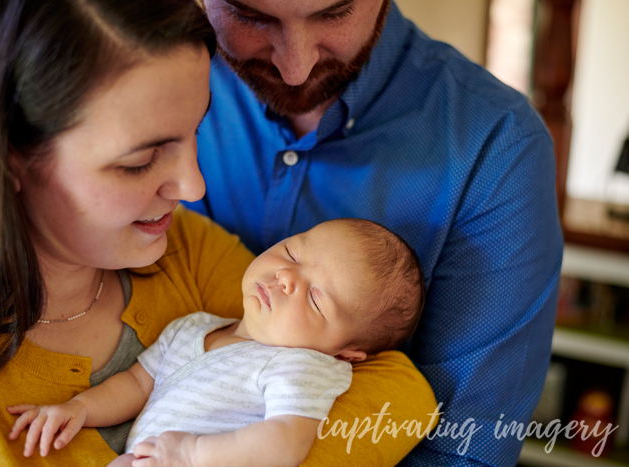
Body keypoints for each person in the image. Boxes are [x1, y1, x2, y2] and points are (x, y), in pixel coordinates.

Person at [0, 1, 436, 466]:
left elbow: (402, 393)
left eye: (197, 130)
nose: (194, 186)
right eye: (141, 160)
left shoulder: (184, 248)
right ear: (3, 159)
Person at [187, 0, 565, 465]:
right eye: (251, 16)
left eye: (334, 13)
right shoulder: (149, 70)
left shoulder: (497, 149)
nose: (295, 67)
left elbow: (462, 450)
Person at [7, 218, 427, 467]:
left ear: (344, 353)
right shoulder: (194, 327)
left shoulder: (303, 365)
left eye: (315, 298)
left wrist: (192, 454)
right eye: (292, 254)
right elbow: (137, 385)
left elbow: (286, 442)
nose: (286, 278)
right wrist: (80, 408)